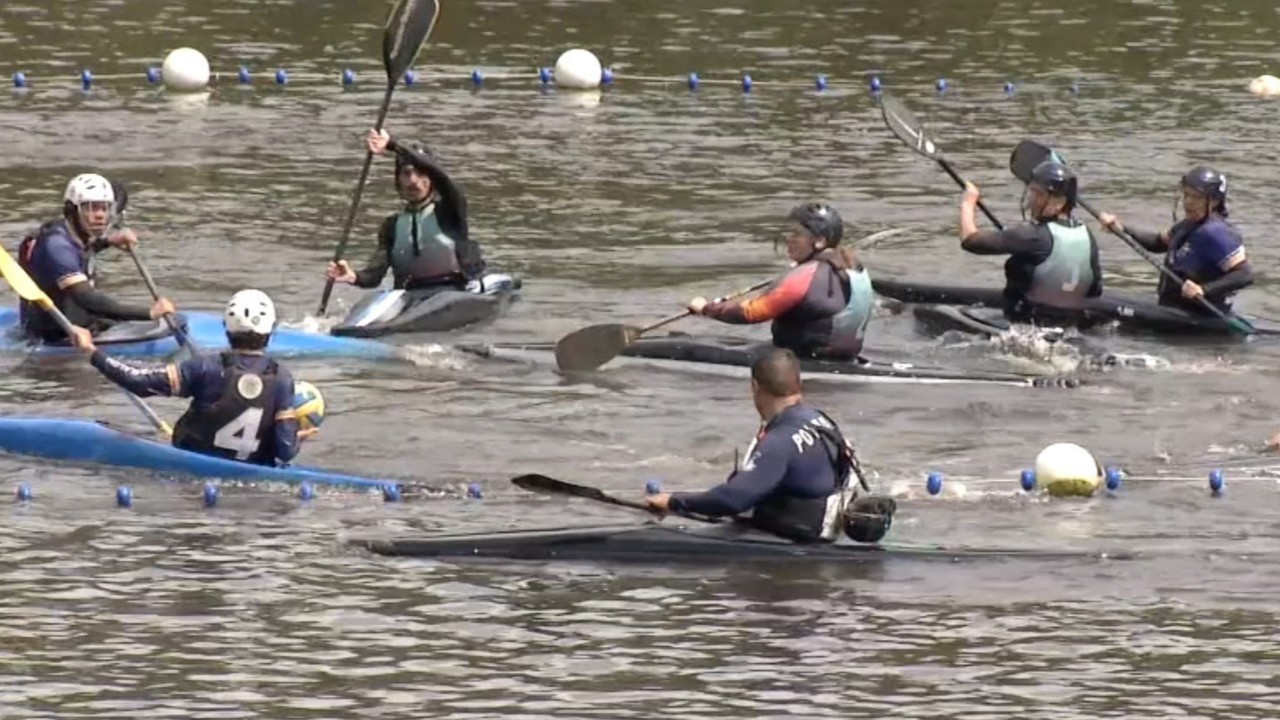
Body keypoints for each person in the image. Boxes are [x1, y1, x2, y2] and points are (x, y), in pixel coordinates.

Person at [645, 348, 895, 544]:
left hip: (797, 538)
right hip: (821, 529)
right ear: (798, 384)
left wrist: (673, 502)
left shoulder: (781, 440)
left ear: (755, 387)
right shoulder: (820, 420)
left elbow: (734, 499)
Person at [69, 289, 315, 467]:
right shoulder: (283, 378)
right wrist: (295, 439)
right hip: (249, 479)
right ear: (271, 331)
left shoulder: (206, 368)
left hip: (189, 469)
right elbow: (284, 452)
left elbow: (139, 382)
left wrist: (92, 353)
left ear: (225, 328)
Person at [686, 203, 874, 360]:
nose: (788, 239)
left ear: (819, 241)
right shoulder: (854, 266)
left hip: (802, 357)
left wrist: (706, 309)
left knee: (689, 348)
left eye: (796, 234)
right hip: (843, 356)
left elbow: (750, 313)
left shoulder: (805, 275)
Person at [18, 173, 175, 343]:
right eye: (91, 208)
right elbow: (87, 299)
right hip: (58, 335)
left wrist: (108, 241)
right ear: (72, 210)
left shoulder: (69, 233)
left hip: (77, 319)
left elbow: (79, 253)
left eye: (104, 208)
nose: (100, 215)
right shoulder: (57, 246)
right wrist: (148, 313)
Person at [326, 128, 487, 293]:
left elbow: (442, 177)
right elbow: (374, 276)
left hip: (454, 289)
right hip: (410, 294)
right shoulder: (392, 226)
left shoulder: (450, 209)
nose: (413, 181)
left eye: (421, 173)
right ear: (398, 180)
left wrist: (392, 145)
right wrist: (353, 276)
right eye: (407, 174)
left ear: (432, 178)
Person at [960, 160, 1102, 327]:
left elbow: (969, 240)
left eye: (1039, 194)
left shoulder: (1032, 236)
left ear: (1059, 202)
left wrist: (968, 202)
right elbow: (1094, 291)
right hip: (1071, 326)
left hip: (1027, 329)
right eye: (1033, 192)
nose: (1032, 199)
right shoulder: (1086, 235)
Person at [1098, 166, 1253, 315]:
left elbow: (1245, 274)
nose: (1188, 202)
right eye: (1187, 195)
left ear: (1214, 201)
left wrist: (1204, 289)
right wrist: (1121, 228)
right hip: (1172, 308)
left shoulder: (1216, 233)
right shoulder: (1188, 225)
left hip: (1198, 315)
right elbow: (1157, 242)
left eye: (1196, 197)